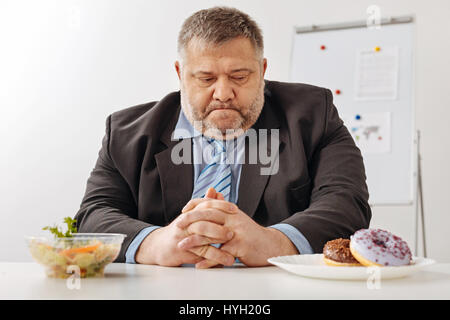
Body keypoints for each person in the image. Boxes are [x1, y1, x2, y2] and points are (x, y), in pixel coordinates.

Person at [74, 6, 371, 268]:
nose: (223, 94)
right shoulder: (126, 133)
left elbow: (347, 204)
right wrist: (154, 243)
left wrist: (277, 243)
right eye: (206, 79)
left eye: (240, 76)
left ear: (262, 70)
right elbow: (93, 215)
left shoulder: (312, 115)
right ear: (180, 74)